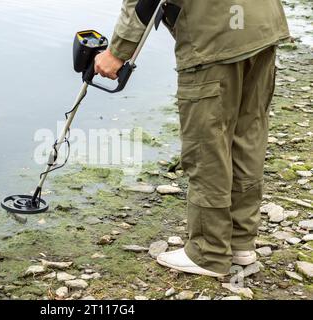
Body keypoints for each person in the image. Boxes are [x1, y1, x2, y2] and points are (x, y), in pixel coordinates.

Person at [95, 0, 290, 277]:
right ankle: (240, 243)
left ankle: (208, 252)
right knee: (247, 135)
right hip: (261, 25)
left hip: (213, 37)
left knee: (207, 146)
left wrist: (117, 51)